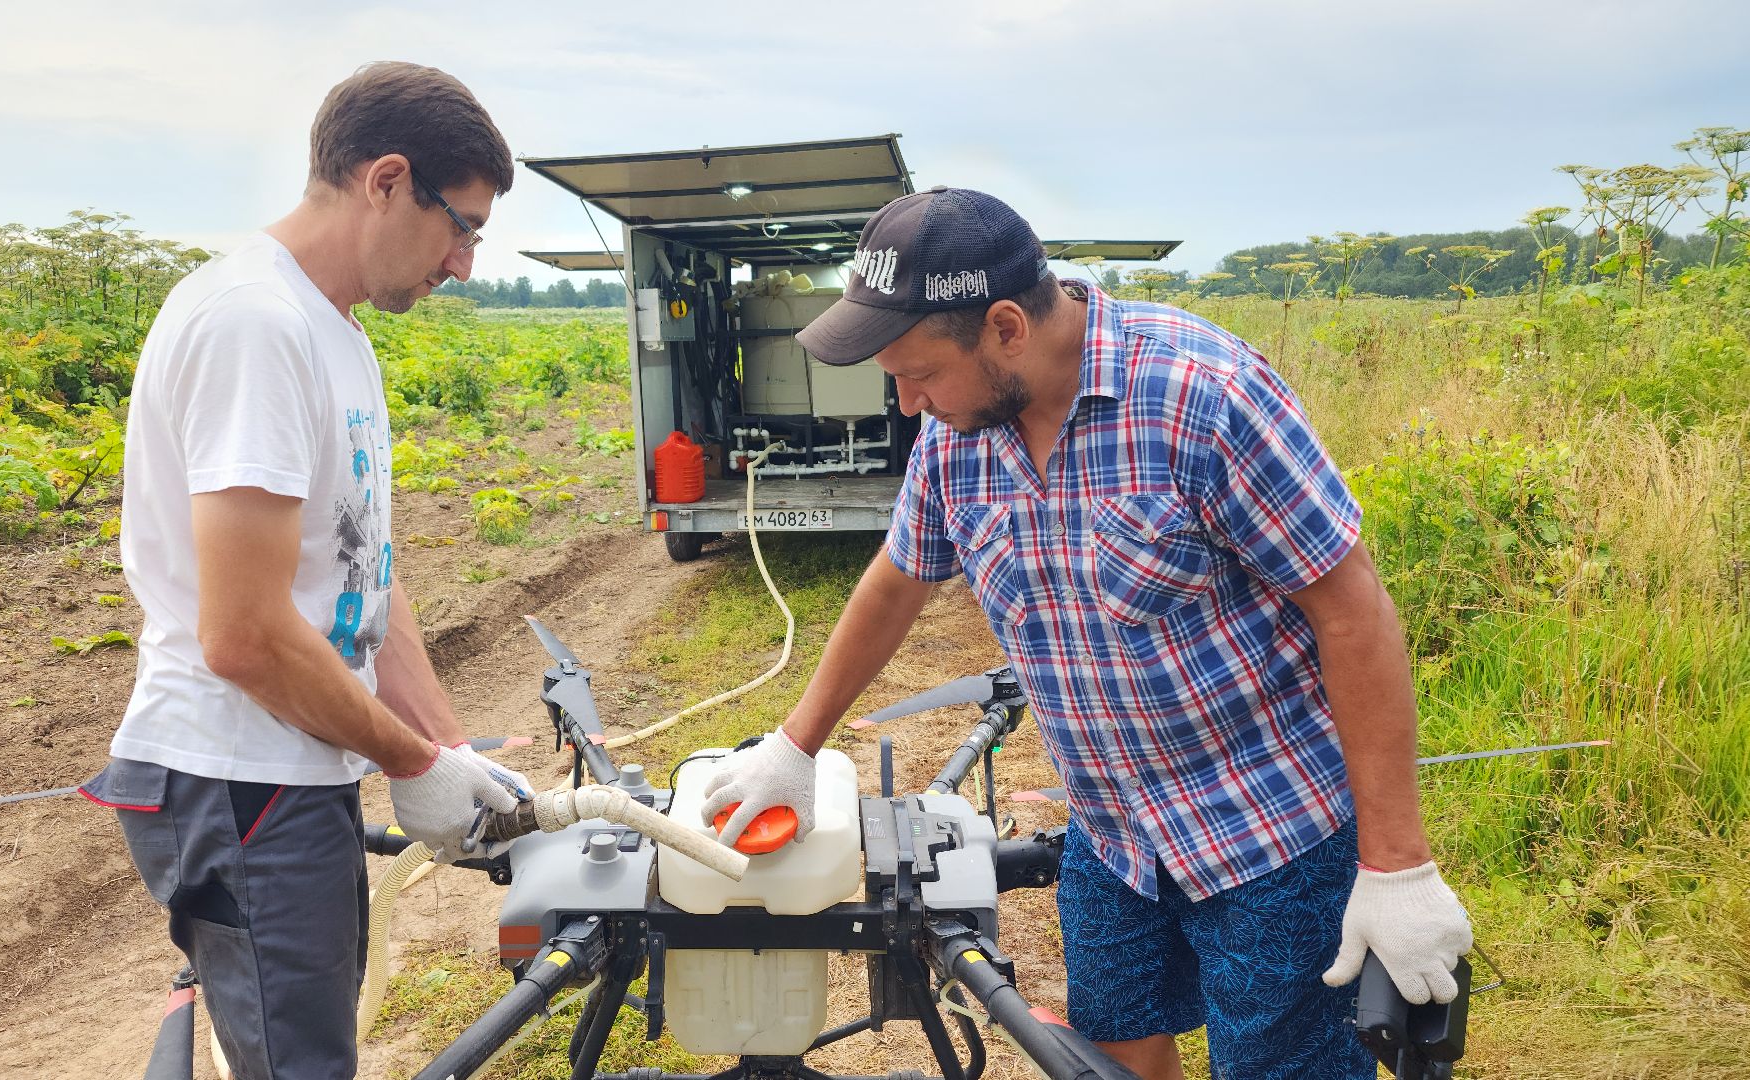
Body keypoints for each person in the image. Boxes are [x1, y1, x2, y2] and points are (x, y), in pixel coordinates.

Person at [700, 187, 1473, 1080]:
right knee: (1109, 1054)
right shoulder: (959, 433)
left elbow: (1351, 611)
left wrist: (1397, 867)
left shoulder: (1201, 396)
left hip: (1271, 832)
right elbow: (898, 577)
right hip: (1112, 834)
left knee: (1278, 1065)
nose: (906, 403)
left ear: (1004, 328)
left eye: (917, 372)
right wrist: (795, 746)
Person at [78, 62, 530, 1080]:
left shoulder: (334, 330)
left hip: (285, 769)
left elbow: (361, 566)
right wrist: (411, 766)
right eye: (460, 225)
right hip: (237, 783)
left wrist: (446, 745)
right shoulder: (255, 325)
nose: (461, 262)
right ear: (384, 180)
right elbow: (241, 635)